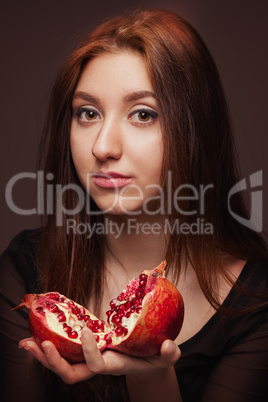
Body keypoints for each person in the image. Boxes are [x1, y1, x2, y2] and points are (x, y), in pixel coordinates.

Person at [1, 7, 268, 402]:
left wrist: (150, 378)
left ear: (195, 130)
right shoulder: (23, 270)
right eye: (87, 113)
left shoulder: (256, 304)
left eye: (143, 114)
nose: (102, 146)